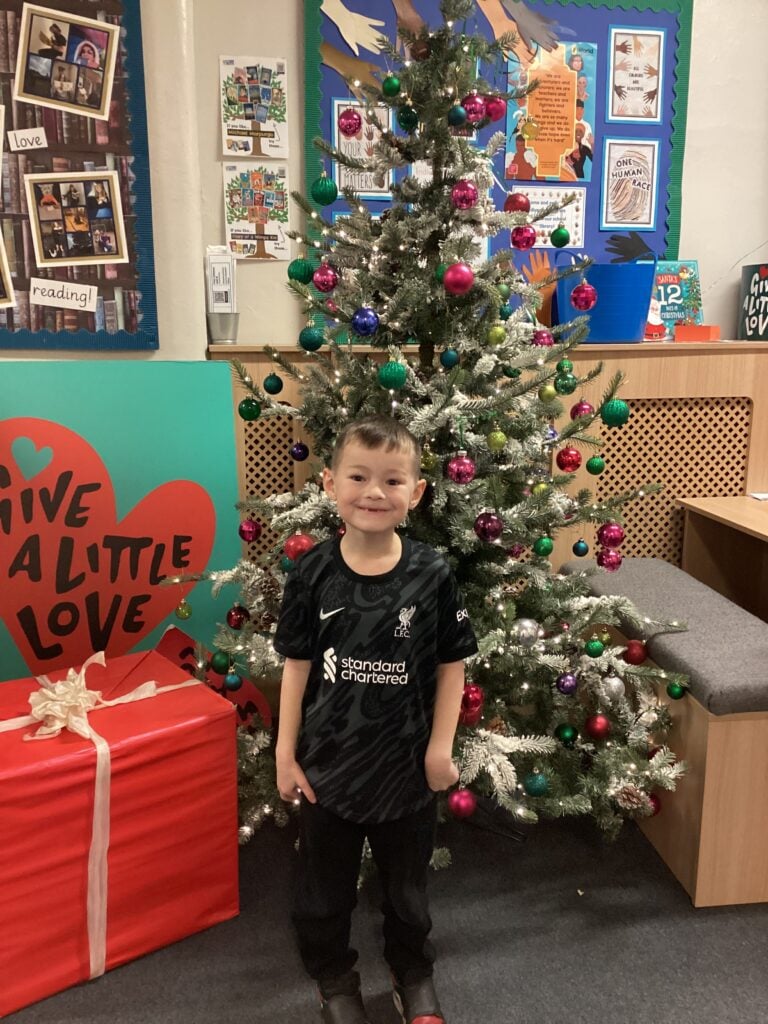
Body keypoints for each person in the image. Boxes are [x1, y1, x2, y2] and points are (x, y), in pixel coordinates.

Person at [274, 414, 478, 1024]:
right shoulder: (311, 573)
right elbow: (296, 667)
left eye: (392, 481)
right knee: (323, 895)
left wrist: (441, 747)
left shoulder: (431, 572)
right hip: (328, 771)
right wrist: (286, 753)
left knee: (408, 895)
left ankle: (410, 974)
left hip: (406, 772)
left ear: (415, 494)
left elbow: (451, 667)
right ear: (331, 483)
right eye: (359, 477)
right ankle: (334, 981)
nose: (373, 492)